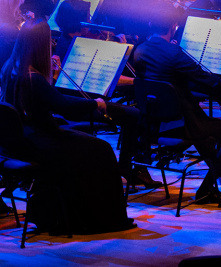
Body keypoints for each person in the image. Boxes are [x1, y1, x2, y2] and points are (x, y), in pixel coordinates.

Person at [0, 20, 135, 234]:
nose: (52, 44)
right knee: (102, 150)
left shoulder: (11, 68)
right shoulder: (33, 78)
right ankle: (104, 218)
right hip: (40, 142)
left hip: (19, 141)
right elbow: (65, 107)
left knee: (89, 146)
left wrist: (52, 77)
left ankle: (76, 210)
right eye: (49, 41)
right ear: (40, 44)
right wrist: (95, 103)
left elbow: (46, 99)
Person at [132, 8, 221, 204]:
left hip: (153, 121)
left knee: (207, 137)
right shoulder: (174, 53)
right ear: (173, 27)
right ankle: (206, 189)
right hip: (182, 123)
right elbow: (204, 79)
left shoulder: (140, 50)